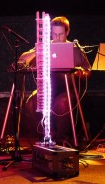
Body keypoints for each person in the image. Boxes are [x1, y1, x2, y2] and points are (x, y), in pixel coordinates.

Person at [18, 16, 91, 146]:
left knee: (61, 103)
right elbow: (21, 60)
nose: (57, 37)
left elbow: (88, 71)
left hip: (67, 90)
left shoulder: (75, 49)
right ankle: (43, 138)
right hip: (47, 89)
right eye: (54, 34)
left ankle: (61, 140)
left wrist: (81, 72)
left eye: (61, 34)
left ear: (67, 32)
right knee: (31, 103)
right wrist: (38, 51)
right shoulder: (45, 47)